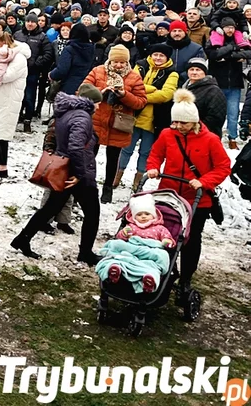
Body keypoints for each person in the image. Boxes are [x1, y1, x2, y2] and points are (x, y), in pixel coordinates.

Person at [145, 89, 232, 302]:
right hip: (169, 195)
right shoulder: (167, 135)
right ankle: (165, 270)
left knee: (191, 240)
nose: (177, 127)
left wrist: (204, 182)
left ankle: (186, 277)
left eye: (182, 123)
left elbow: (223, 166)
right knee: (166, 235)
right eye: (174, 122)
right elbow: (155, 154)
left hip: (197, 199)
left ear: (193, 122)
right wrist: (153, 167)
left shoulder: (210, 140)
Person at [11, 83, 104, 264]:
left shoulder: (67, 112)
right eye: (98, 103)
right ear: (91, 102)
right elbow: (76, 147)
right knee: (92, 214)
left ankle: (23, 239)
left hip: (65, 169)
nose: (100, 106)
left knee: (50, 209)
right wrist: (79, 174)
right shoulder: (83, 117)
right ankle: (86, 253)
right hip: (78, 173)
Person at [83, 44, 148, 203]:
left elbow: (141, 102)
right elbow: (83, 90)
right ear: (109, 60)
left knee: (113, 159)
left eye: (122, 62)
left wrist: (125, 95)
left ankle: (108, 188)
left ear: (127, 62)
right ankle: (86, 185)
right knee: (89, 156)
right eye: (115, 62)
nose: (118, 65)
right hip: (97, 120)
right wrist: (102, 91)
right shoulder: (98, 71)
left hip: (118, 123)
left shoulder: (134, 77)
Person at [118, 44, 178, 192]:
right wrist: (152, 91)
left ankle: (138, 182)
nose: (158, 58)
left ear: (167, 57)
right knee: (126, 148)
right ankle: (116, 177)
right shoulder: (140, 66)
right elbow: (130, 86)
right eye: (155, 54)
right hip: (133, 116)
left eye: (161, 56)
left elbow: (166, 95)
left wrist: (140, 95)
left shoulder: (172, 73)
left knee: (146, 152)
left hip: (154, 119)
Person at [96, 193, 175, 294]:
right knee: (116, 244)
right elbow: (121, 238)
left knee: (162, 255)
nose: (143, 217)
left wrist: (166, 242)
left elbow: (168, 239)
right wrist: (124, 233)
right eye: (139, 214)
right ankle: (115, 269)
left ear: (153, 215)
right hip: (132, 251)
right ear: (134, 217)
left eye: (147, 214)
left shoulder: (160, 228)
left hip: (150, 254)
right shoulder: (132, 226)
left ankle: (149, 280)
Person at [0, 33, 30, 178]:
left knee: (2, 133)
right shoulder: (7, 56)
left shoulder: (19, 58)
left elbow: (7, 76)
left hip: (9, 99)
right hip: (1, 97)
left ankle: (2, 167)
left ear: (3, 43)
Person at [205, 17, 251, 149]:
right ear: (222, 28)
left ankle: (232, 137)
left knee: (233, 112)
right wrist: (232, 48)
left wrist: (229, 55)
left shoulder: (240, 39)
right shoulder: (213, 39)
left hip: (234, 83)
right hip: (217, 83)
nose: (230, 30)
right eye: (227, 27)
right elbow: (213, 54)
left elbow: (248, 52)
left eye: (232, 27)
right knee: (215, 113)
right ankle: (214, 137)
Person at [181, 57, 227, 138]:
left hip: (205, 135)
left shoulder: (213, 90)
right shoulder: (183, 88)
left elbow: (216, 118)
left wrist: (194, 128)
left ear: (205, 72)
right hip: (184, 135)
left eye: (198, 70)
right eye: (191, 69)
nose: (194, 72)